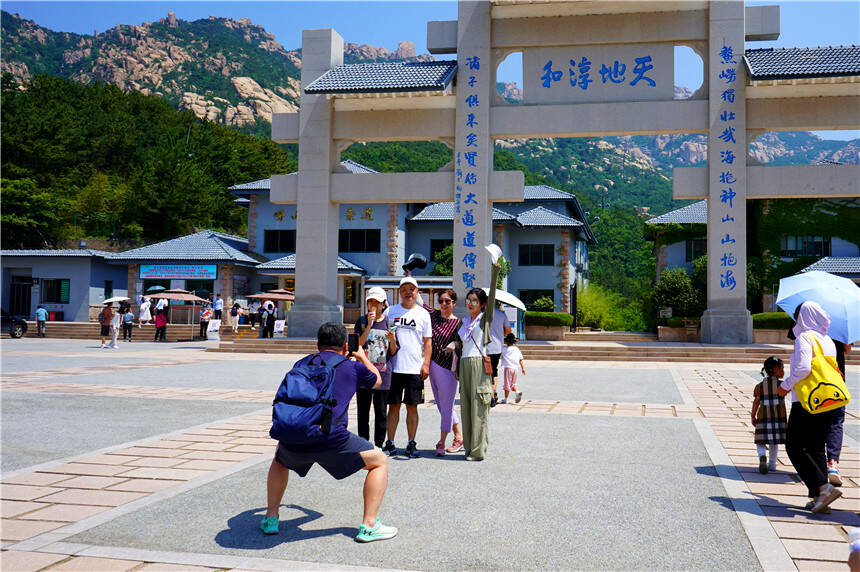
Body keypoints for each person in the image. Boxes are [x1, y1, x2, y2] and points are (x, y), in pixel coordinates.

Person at [261, 322, 397, 543]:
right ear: (346, 345)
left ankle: (271, 517)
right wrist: (362, 356)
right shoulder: (352, 367)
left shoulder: (302, 362)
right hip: (332, 439)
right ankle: (370, 525)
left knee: (279, 459)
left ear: (318, 344)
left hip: (297, 434)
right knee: (379, 460)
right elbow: (378, 380)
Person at [778, 301, 842, 513]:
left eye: (798, 315)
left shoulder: (804, 337)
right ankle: (819, 497)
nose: (796, 320)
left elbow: (804, 368)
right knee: (815, 447)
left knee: (794, 447)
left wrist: (785, 386)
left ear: (803, 317)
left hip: (806, 401)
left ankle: (823, 488)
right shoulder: (828, 340)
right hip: (827, 400)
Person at [456, 260, 501, 461]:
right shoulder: (465, 322)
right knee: (466, 408)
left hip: (477, 364)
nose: (470, 303)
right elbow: (461, 345)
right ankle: (468, 448)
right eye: (468, 300)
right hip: (464, 364)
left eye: (475, 300)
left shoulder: (484, 319)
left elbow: (491, 298)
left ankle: (478, 451)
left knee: (478, 408)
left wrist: (495, 271)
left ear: (482, 304)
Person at [382, 277, 432, 458]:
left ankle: (411, 443)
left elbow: (428, 342)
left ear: (417, 292)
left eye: (412, 289)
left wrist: (426, 364)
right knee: (393, 407)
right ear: (399, 292)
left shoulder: (423, 314)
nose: (408, 292)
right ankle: (390, 442)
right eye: (404, 289)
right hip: (394, 368)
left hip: (414, 369)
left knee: (412, 407)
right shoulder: (390, 311)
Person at [420, 289, 464, 456]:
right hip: (432, 365)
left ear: (454, 303)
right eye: (441, 301)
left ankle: (442, 441)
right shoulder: (434, 316)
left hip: (448, 368)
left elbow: (462, 340)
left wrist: (453, 344)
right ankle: (458, 436)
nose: (444, 304)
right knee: (441, 405)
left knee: (447, 406)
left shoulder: (458, 323)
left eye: (448, 301)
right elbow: (418, 300)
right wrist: (409, 274)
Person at [354, 287, 397, 448]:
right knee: (363, 412)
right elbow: (358, 345)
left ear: (383, 305)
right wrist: (369, 325)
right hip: (363, 374)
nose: (373, 305)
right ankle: (363, 443)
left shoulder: (389, 322)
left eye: (376, 302)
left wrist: (392, 339)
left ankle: (379, 444)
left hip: (382, 374)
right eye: (370, 301)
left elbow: (393, 351)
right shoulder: (362, 321)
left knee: (381, 412)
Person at [750, 356, 786, 474]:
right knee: (774, 443)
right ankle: (772, 465)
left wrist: (752, 415)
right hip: (778, 418)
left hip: (762, 417)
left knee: (760, 441)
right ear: (776, 369)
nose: (784, 371)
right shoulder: (783, 385)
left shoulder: (759, 386)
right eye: (782, 368)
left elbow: (756, 402)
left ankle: (761, 456)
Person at [825, 340, 851, 486]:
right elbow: (847, 350)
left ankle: (816, 464)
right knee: (835, 423)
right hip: (837, 382)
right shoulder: (842, 326)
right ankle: (832, 463)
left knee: (817, 422)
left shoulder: (809, 326)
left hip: (816, 384)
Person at [486, 302, 512, 407]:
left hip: (483, 347)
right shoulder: (502, 314)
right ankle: (493, 393)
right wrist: (501, 333)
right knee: (494, 371)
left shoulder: (483, 313)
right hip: (497, 347)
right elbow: (508, 330)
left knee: (485, 372)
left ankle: (489, 394)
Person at [500, 333, 525, 404]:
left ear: (506, 341)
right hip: (515, 369)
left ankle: (506, 399)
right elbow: (520, 359)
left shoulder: (504, 349)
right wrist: (523, 368)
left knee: (507, 384)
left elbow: (500, 355)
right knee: (513, 384)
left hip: (508, 368)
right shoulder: (516, 349)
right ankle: (517, 391)